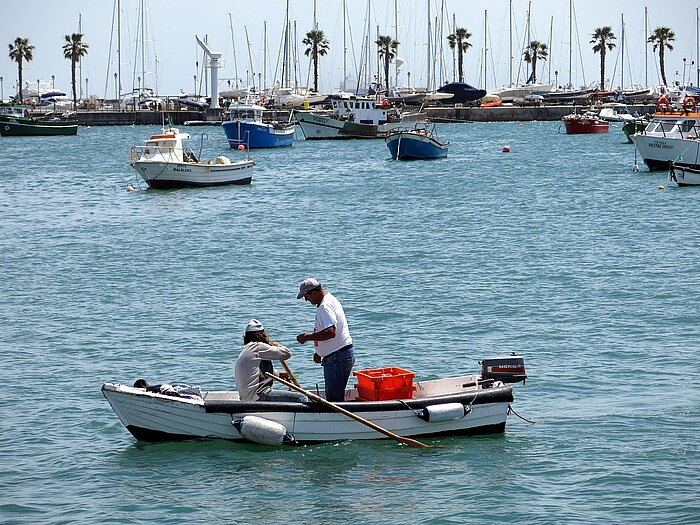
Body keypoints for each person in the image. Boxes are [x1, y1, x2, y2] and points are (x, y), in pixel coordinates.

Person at [296, 278, 355, 402]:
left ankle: (336, 420)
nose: (306, 299)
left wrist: (308, 337)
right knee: (335, 395)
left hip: (337, 357)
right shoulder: (329, 300)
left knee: (334, 400)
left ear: (314, 292)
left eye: (306, 296)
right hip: (339, 354)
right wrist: (320, 352)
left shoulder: (325, 306)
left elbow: (331, 332)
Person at [235, 319, 308, 403]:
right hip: (259, 395)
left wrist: (278, 374)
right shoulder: (258, 347)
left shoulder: (246, 350)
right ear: (261, 335)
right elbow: (286, 353)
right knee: (302, 398)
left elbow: (256, 372)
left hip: (247, 398)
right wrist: (276, 345)